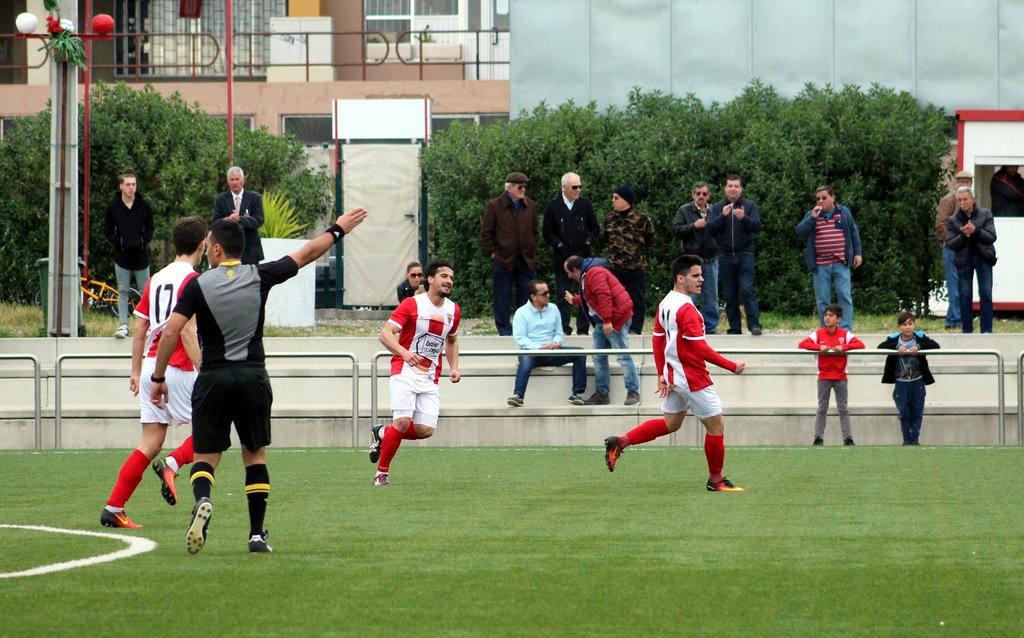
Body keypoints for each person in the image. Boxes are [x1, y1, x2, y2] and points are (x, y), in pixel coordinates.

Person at [151, 207, 368, 554]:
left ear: (217, 249)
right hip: (252, 376)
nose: (206, 250)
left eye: (208, 245)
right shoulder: (260, 275)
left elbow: (171, 332)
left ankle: (203, 499)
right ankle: (255, 535)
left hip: (213, 378)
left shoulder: (197, 284)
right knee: (254, 456)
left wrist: (158, 377)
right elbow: (306, 253)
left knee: (206, 456)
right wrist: (338, 229)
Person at [603, 254, 746, 492]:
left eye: (701, 275)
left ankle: (621, 442)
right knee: (716, 427)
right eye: (695, 275)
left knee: (671, 423)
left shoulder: (666, 302)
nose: (701, 279)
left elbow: (658, 339)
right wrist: (732, 366)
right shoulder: (687, 310)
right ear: (680, 278)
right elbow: (700, 348)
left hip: (674, 376)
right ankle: (716, 480)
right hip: (692, 377)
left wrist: (662, 373)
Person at [100, 216, 207, 529]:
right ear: (202, 245)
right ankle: (172, 464)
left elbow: (140, 329)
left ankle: (113, 507)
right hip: (178, 365)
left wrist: (136, 371)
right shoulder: (193, 280)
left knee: (150, 442)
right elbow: (186, 331)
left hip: (151, 366)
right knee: (214, 430)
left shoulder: (157, 278)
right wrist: (205, 370)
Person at [368, 260, 461, 487]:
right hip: (404, 370)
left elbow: (451, 340)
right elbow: (385, 334)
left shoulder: (453, 310)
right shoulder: (412, 304)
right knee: (402, 422)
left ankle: (382, 433)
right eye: (444, 276)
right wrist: (404, 353)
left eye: (451, 277)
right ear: (430, 279)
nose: (449, 281)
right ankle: (381, 474)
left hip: (430, 376)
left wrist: (454, 367)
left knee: (425, 430)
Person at [563, 255, 640, 406]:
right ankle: (602, 394)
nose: (569, 276)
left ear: (575, 269)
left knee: (622, 355)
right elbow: (589, 296)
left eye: (569, 272)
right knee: (598, 357)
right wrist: (574, 300)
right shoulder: (588, 274)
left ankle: (633, 392)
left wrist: (607, 320)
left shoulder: (594, 273)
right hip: (603, 320)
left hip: (615, 318)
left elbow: (604, 296)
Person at [507, 279, 587, 407]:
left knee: (580, 353)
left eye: (548, 292)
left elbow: (559, 333)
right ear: (533, 297)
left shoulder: (554, 308)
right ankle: (518, 395)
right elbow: (520, 339)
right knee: (527, 357)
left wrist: (557, 342)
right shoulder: (521, 313)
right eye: (544, 294)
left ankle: (577, 394)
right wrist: (538, 348)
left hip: (552, 351)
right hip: (531, 352)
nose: (548, 295)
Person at [795, 184, 863, 330]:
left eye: (824, 198)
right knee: (822, 301)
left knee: (844, 297)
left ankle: (845, 331)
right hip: (820, 265)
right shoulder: (812, 215)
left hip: (841, 263)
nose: (820, 201)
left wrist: (857, 253)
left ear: (833, 197)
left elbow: (853, 233)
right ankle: (826, 331)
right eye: (818, 198)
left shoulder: (843, 212)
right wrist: (812, 217)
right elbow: (799, 232)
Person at [797, 303, 865, 446]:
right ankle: (818, 438)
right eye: (826, 315)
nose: (827, 318)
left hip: (840, 377)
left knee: (843, 409)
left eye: (831, 315)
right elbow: (802, 344)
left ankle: (848, 438)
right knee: (822, 408)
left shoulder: (845, 334)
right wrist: (819, 347)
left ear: (838, 319)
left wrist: (844, 347)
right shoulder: (818, 333)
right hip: (824, 377)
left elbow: (860, 344)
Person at [480, 172, 538, 336]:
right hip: (503, 258)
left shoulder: (530, 205)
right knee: (502, 296)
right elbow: (486, 232)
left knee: (526, 295)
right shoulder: (495, 205)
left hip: (525, 258)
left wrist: (532, 250)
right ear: (509, 188)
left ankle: (523, 329)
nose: (523, 189)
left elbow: (534, 232)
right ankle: (504, 330)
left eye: (525, 186)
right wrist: (493, 253)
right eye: (520, 187)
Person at [543, 172, 600, 336]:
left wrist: (589, 240)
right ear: (564, 188)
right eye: (575, 187)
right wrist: (558, 243)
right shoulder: (553, 206)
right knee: (563, 294)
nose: (578, 190)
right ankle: (564, 328)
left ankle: (583, 328)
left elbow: (595, 227)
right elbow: (547, 232)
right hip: (562, 257)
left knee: (585, 293)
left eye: (580, 186)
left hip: (582, 257)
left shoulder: (585, 204)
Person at [707, 174, 762, 335]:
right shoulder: (717, 207)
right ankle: (735, 328)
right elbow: (710, 229)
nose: (733, 189)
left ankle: (754, 325)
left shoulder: (749, 205)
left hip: (745, 253)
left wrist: (743, 218)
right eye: (730, 186)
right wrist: (723, 216)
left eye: (736, 186)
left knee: (747, 289)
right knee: (730, 294)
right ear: (725, 188)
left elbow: (756, 226)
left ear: (741, 188)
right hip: (724, 255)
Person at [104, 169, 154, 339]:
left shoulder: (144, 205)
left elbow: (150, 228)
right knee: (123, 290)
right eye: (128, 185)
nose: (131, 188)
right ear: (121, 186)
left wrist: (142, 241)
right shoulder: (113, 207)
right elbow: (108, 230)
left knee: (145, 292)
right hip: (122, 256)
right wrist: (120, 243)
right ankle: (123, 326)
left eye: (134, 184)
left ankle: (149, 326)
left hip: (141, 256)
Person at [878, 312, 940, 445]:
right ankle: (906, 439)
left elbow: (935, 345)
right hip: (901, 382)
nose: (907, 327)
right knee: (904, 412)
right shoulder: (894, 338)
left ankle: (915, 439)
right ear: (899, 326)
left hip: (918, 381)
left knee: (917, 411)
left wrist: (919, 346)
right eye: (904, 324)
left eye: (910, 324)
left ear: (914, 325)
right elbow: (881, 347)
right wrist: (897, 347)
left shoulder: (920, 337)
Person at [601, 185, 656, 335]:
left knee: (637, 300)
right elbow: (604, 239)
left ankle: (635, 329)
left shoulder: (642, 219)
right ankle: (617, 328)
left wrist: (639, 256)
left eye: (616, 198)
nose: (613, 201)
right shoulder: (609, 219)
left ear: (626, 200)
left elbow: (651, 240)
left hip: (636, 267)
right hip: (615, 268)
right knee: (615, 299)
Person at [672, 181, 720, 334]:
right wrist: (693, 225)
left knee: (711, 296)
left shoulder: (715, 210)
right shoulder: (684, 210)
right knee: (688, 295)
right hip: (691, 261)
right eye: (698, 193)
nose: (701, 196)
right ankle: (686, 326)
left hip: (711, 259)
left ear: (709, 195)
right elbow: (675, 230)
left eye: (704, 194)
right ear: (693, 195)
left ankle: (711, 328)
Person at [947, 187, 997, 333]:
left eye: (965, 199)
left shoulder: (985, 214)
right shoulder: (953, 220)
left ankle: (986, 330)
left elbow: (991, 237)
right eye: (959, 200)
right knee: (965, 295)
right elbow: (951, 243)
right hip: (964, 261)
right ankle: (967, 330)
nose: (962, 203)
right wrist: (964, 236)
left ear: (973, 200)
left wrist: (975, 231)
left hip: (983, 258)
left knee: (986, 294)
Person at [935, 170, 974, 329]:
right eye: (961, 181)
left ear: (971, 183)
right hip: (952, 248)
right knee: (954, 284)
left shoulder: (972, 201)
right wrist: (952, 241)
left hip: (967, 248)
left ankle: (952, 320)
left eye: (967, 181)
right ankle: (958, 319)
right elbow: (940, 225)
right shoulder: (948, 200)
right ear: (956, 183)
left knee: (963, 284)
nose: (964, 184)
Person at [212, 166, 265, 265]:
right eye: (232, 180)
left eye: (237, 179)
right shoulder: (220, 200)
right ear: (228, 182)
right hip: (228, 251)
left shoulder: (254, 198)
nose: (235, 182)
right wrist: (226, 221)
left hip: (250, 250)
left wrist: (240, 219)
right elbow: (215, 223)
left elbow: (259, 220)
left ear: (243, 180)